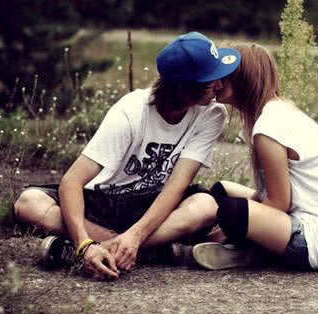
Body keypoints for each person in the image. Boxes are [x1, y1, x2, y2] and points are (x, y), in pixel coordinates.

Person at [13, 32, 241, 278]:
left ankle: (100, 252)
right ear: (183, 89)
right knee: (29, 203)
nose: (219, 85)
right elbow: (71, 181)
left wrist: (135, 235)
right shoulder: (131, 111)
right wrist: (84, 243)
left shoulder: (212, 114)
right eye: (210, 81)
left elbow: (176, 186)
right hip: (104, 200)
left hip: (152, 204)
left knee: (206, 206)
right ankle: (153, 252)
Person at [191, 43, 318, 271]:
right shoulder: (274, 113)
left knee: (233, 211)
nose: (215, 84)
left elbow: (278, 203)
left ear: (245, 79)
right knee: (222, 189)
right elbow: (272, 194)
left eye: (224, 77)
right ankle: (250, 251)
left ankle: (250, 252)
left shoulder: (269, 127)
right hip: (310, 225)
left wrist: (224, 232)